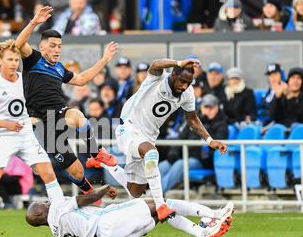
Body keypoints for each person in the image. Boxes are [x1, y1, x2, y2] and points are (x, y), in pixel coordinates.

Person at [92, 58, 228, 222]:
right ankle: (161, 205)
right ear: (173, 75)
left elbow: (192, 120)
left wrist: (210, 140)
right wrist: (178, 62)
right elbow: (156, 64)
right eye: (182, 81)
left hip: (147, 137)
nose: (185, 86)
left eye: (189, 83)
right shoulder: (157, 78)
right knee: (151, 153)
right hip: (127, 128)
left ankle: (104, 160)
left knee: (135, 191)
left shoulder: (188, 93)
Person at [0, 39, 68, 236]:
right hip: (5, 137)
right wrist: (7, 124)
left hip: (26, 136)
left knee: (49, 174)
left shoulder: (26, 79)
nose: (14, 63)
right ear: (0, 61)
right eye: (9, 59)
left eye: (16, 59)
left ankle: (63, 220)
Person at [15, 6, 119, 204]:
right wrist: (34, 22)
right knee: (77, 171)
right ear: (42, 47)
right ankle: (89, 191)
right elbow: (19, 44)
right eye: (52, 45)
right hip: (45, 124)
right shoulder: (34, 59)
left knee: (78, 116)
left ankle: (96, 153)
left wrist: (104, 60)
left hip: (60, 112)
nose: (56, 50)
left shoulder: (60, 69)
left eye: (59, 46)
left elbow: (81, 80)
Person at [25, 184, 234, 237]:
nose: (46, 201)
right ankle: (216, 215)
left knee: (160, 214)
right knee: (161, 203)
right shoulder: (57, 208)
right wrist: (104, 189)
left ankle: (203, 233)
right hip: (107, 222)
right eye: (42, 203)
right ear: (39, 213)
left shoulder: (55, 231)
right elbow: (85, 199)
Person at [159, 94, 228, 193]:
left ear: (217, 108)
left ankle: (156, 196)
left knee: (179, 165)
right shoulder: (194, 122)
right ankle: (152, 193)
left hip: (202, 161)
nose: (208, 110)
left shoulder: (221, 124)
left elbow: (218, 143)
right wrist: (173, 152)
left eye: (211, 108)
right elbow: (180, 138)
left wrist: (206, 128)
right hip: (184, 157)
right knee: (163, 166)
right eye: (206, 107)